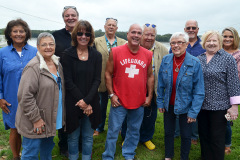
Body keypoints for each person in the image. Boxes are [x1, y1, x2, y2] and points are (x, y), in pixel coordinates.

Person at [102, 24, 154, 160]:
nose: (136, 35)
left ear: (141, 36)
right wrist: (111, 94)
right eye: (133, 32)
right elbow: (108, 73)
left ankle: (129, 153)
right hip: (119, 100)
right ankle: (108, 155)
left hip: (139, 100)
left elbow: (150, 76)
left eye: (139, 33)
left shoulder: (148, 54)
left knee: (134, 130)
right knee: (113, 130)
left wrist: (149, 96)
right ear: (127, 34)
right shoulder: (116, 51)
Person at [15, 32, 65, 160]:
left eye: (51, 44)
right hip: (35, 121)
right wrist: (36, 119)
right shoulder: (34, 67)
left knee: (46, 152)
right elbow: (24, 96)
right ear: (37, 47)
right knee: (30, 154)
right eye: (44, 44)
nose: (48, 47)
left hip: (50, 119)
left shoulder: (57, 64)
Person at [157, 32, 205, 160]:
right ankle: (168, 155)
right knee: (168, 132)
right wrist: (160, 102)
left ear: (187, 44)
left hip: (186, 105)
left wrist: (193, 112)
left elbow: (199, 91)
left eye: (180, 42)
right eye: (173, 43)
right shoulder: (166, 60)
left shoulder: (195, 63)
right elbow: (160, 84)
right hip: (169, 103)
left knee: (186, 135)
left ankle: (184, 157)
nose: (176, 45)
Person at [121, 23, 168, 150]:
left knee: (150, 114)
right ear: (141, 35)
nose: (149, 37)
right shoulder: (132, 46)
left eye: (152, 35)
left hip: (153, 86)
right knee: (129, 113)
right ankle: (126, 137)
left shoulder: (162, 49)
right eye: (146, 34)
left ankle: (146, 137)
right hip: (134, 86)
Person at [62, 20, 102, 160]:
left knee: (88, 137)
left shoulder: (96, 55)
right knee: (73, 137)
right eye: (80, 33)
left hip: (91, 103)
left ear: (91, 36)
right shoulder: (67, 55)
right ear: (75, 35)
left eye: (87, 34)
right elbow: (68, 81)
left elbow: (97, 80)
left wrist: (87, 101)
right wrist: (83, 102)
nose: (83, 36)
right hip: (73, 103)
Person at [198, 30, 240, 160]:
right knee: (204, 136)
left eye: (214, 40)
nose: (211, 43)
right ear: (204, 43)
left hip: (220, 107)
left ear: (219, 42)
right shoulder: (199, 59)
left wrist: (234, 107)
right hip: (202, 106)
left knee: (217, 138)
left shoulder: (227, 59)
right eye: (208, 41)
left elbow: (233, 83)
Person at [0, 19, 37, 160]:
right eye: (15, 31)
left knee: (30, 127)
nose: (18, 34)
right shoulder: (2, 53)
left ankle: (29, 155)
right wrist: (0, 97)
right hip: (11, 99)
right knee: (15, 129)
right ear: (9, 34)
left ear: (26, 33)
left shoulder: (35, 51)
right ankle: (16, 156)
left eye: (21, 31)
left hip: (32, 98)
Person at [172, 20, 206, 144]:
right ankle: (176, 133)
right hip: (181, 83)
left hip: (197, 81)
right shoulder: (178, 43)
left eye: (193, 27)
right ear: (185, 29)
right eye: (188, 28)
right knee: (178, 109)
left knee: (194, 110)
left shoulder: (203, 45)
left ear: (197, 29)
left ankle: (193, 136)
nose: (191, 30)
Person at [52, 6, 79, 156]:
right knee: (63, 113)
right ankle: (63, 145)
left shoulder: (83, 34)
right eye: (67, 15)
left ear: (77, 17)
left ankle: (79, 142)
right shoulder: (56, 36)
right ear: (63, 18)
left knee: (79, 112)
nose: (70, 18)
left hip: (80, 81)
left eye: (73, 15)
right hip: (61, 81)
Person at [93, 17, 126, 136]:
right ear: (104, 27)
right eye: (109, 25)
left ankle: (120, 127)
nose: (111, 27)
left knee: (119, 105)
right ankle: (98, 127)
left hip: (118, 79)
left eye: (113, 25)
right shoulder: (96, 41)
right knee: (100, 105)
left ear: (116, 28)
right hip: (101, 78)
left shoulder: (123, 42)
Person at [222, 27, 240, 154]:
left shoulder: (238, 55)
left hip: (230, 93)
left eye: (230, 36)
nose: (227, 39)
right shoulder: (217, 51)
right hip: (215, 93)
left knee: (226, 121)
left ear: (235, 38)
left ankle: (227, 144)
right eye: (225, 36)